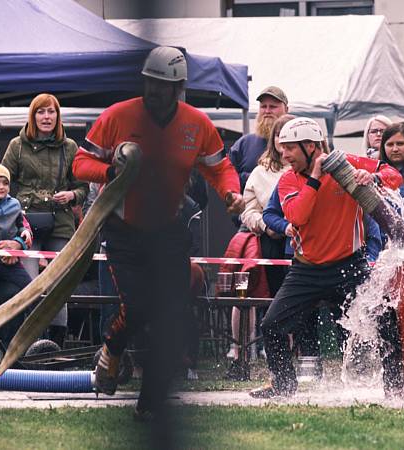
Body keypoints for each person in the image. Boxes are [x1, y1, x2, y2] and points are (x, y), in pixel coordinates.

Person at [73, 47, 244, 424]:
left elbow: (220, 168)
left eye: (162, 86)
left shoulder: (196, 124)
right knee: (137, 307)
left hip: (168, 232)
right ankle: (113, 348)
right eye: (149, 83)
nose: (154, 92)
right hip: (123, 229)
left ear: (179, 87)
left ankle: (149, 404)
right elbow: (81, 162)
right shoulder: (118, 116)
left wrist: (231, 194)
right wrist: (110, 173)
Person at [250, 117, 404, 398]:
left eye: (289, 149)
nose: (283, 155)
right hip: (306, 271)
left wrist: (374, 177)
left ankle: (395, 388)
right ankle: (283, 386)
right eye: (282, 148)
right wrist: (316, 179)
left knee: (385, 318)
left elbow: (396, 176)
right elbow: (297, 216)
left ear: (310, 146)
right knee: (271, 324)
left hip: (350, 266)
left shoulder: (345, 163)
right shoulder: (287, 180)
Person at [2, 93, 89, 348]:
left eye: (51, 112)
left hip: (60, 224)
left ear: (58, 116)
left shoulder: (70, 147)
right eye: (41, 112)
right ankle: (27, 344)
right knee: (28, 286)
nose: (46, 117)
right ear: (33, 115)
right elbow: (2, 183)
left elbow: (83, 187)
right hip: (26, 225)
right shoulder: (17, 145)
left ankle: (56, 344)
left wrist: (72, 194)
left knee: (58, 286)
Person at [227, 114, 295, 362]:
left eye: (290, 134)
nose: (284, 140)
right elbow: (248, 210)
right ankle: (253, 353)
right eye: (279, 134)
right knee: (266, 298)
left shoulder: (311, 169)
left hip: (303, 243)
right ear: (274, 140)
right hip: (269, 242)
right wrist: (267, 226)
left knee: (293, 302)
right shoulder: (260, 171)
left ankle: (296, 355)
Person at [0, 164, 33, 352]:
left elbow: (24, 228)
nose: (1, 187)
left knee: (31, 293)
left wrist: (18, 243)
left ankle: (16, 349)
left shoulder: (15, 205)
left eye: (5, 183)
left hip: (10, 263)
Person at [229, 86, 289, 192]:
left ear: (286, 110)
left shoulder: (296, 143)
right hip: (249, 207)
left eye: (273, 106)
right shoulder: (243, 144)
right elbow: (227, 178)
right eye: (263, 106)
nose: (267, 111)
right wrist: (251, 177)